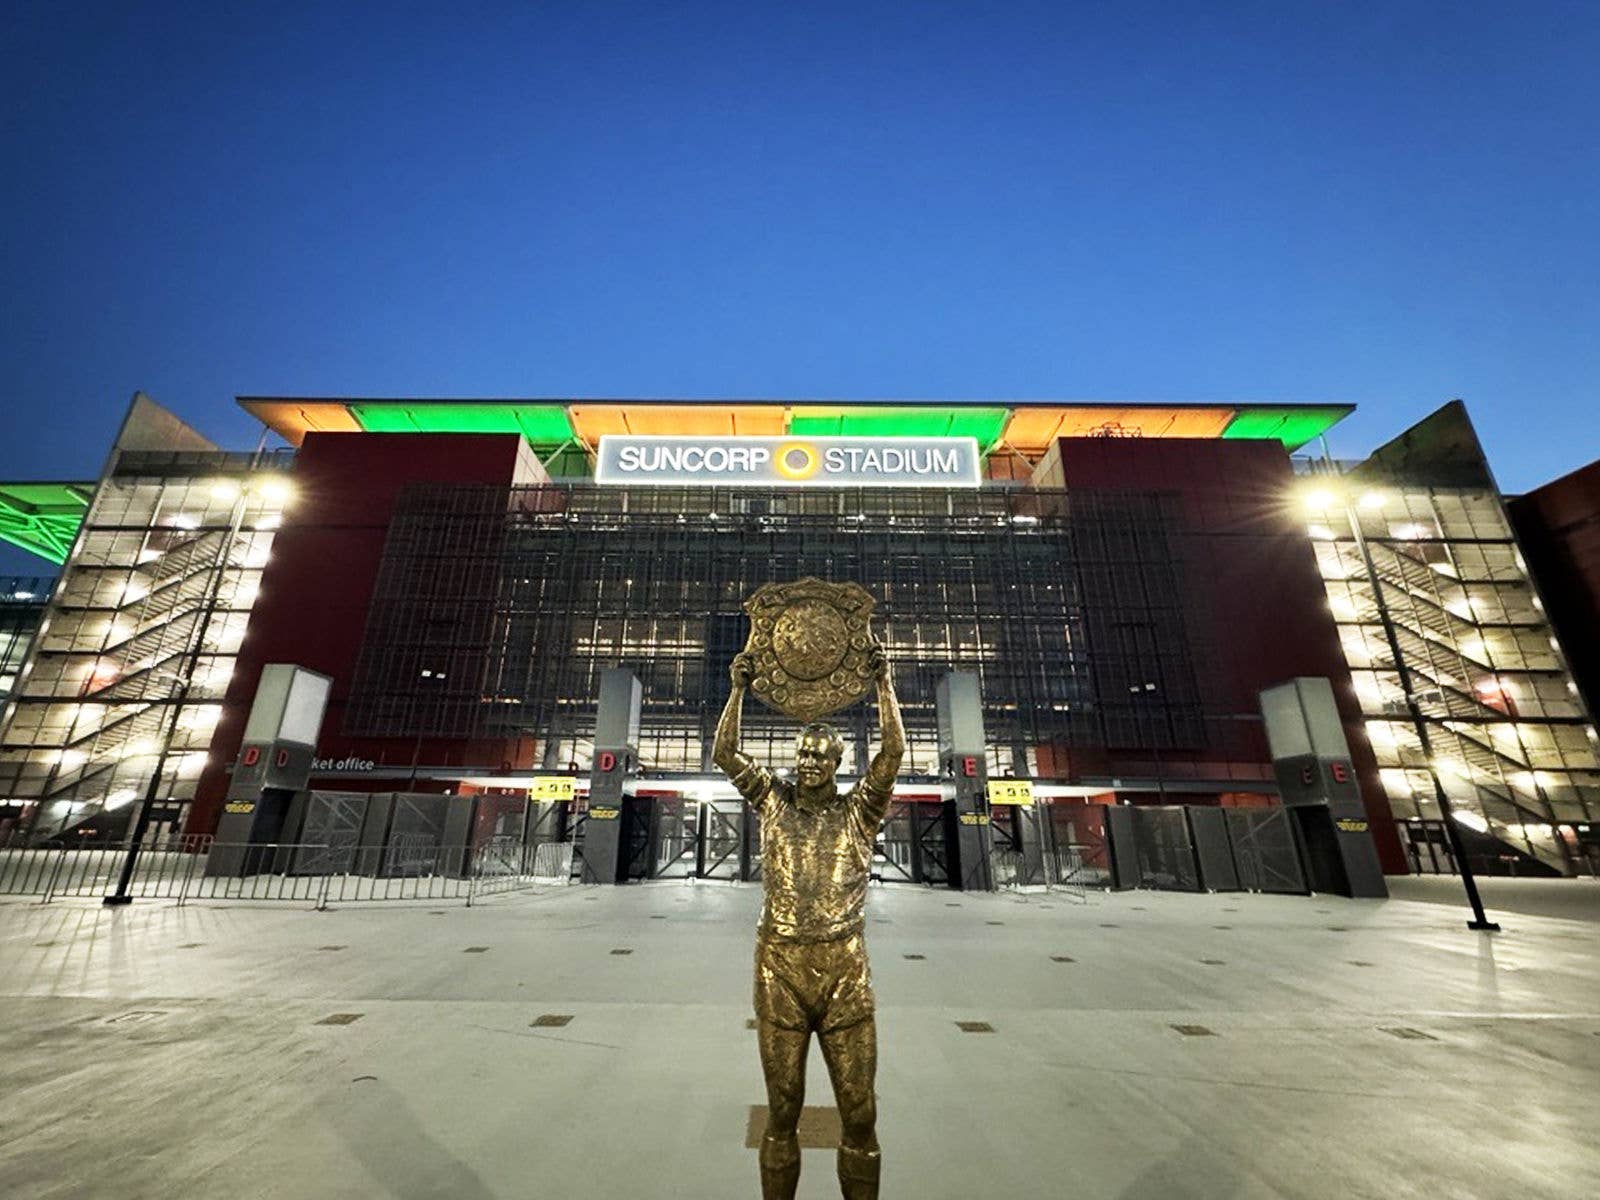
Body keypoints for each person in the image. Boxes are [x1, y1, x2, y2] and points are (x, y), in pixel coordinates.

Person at [712, 644, 904, 1200]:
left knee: (861, 1113)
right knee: (782, 1109)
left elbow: (892, 751)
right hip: (781, 969)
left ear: (838, 761)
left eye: (819, 756)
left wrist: (884, 684)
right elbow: (725, 752)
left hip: (845, 968)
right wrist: (738, 689)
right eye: (802, 754)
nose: (808, 763)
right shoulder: (772, 802)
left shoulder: (860, 812)